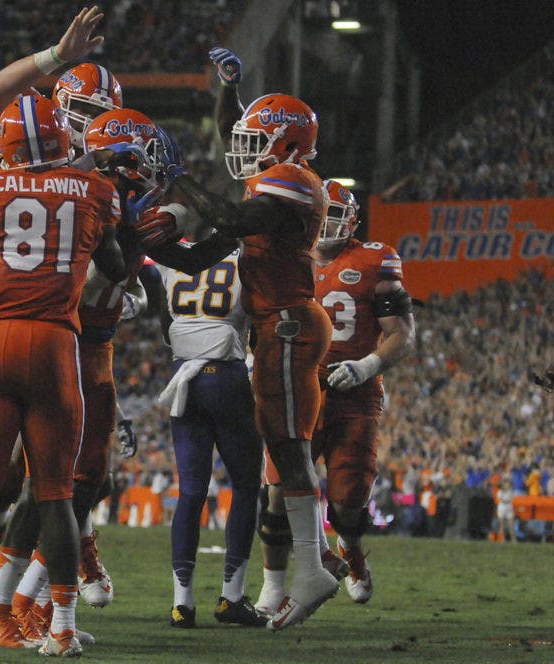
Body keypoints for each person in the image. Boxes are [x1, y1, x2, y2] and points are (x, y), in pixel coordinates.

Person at [0, 93, 127, 658]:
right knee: (55, 492)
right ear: (65, 142)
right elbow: (117, 269)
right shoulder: (95, 192)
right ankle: (59, 625)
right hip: (56, 343)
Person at [165, 45, 336, 631]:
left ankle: (312, 567)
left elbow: (232, 222)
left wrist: (178, 183)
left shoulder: (290, 180)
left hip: (288, 321)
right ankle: (309, 564)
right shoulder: (278, 174)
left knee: (287, 448)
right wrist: (227, 88)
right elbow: (235, 141)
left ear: (285, 146)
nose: (241, 146)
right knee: (283, 447)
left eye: (258, 138)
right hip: (279, 324)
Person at [153, 206, 266, 629]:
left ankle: (182, 603)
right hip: (226, 376)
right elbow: (257, 316)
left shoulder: (171, 261)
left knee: (191, 491)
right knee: (245, 485)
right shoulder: (243, 262)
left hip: (184, 377)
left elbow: (167, 323)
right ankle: (230, 597)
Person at [306, 179, 415, 604]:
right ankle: (303, 568)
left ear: (351, 220)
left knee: (349, 498)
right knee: (283, 486)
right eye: (319, 216)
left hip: (356, 391)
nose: (324, 226)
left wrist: (368, 365)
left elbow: (401, 334)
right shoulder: (290, 257)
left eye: (334, 215)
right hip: (301, 385)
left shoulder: (376, 259)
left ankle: (350, 551)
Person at [496, 477, 516, 543]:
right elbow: (502, 500)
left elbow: (510, 499)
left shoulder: (511, 491)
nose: (508, 485)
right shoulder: (500, 492)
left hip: (509, 508)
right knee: (502, 525)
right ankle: (502, 539)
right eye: (506, 483)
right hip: (502, 508)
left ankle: (513, 539)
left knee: (511, 525)